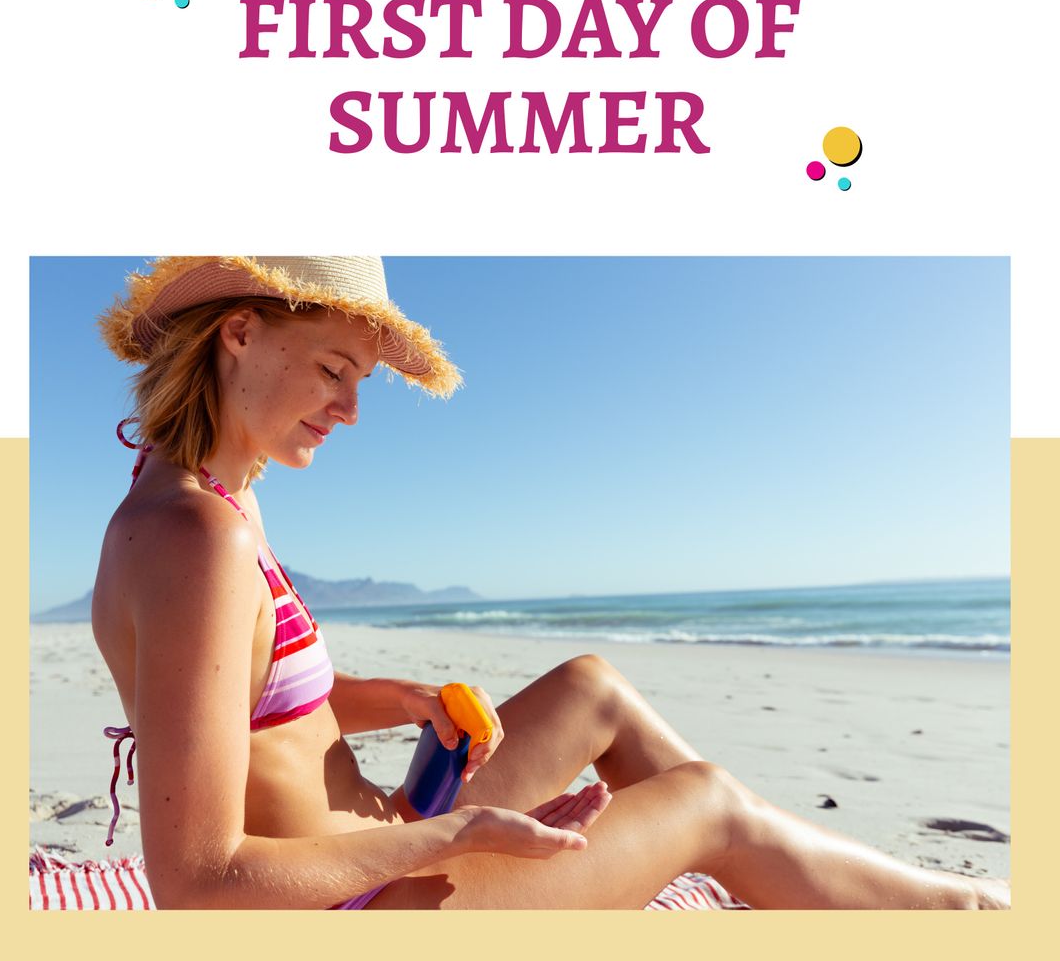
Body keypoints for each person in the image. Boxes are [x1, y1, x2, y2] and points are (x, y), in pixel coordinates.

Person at [90, 256, 1009, 910]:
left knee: (590, 689)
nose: (353, 410)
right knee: (710, 806)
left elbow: (246, 706)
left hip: (376, 840)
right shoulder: (196, 539)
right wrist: (463, 836)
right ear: (239, 335)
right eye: (334, 371)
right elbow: (199, 886)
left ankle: (831, 887)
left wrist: (402, 703)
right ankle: (954, 916)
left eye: (361, 380)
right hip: (356, 906)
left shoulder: (219, 498)